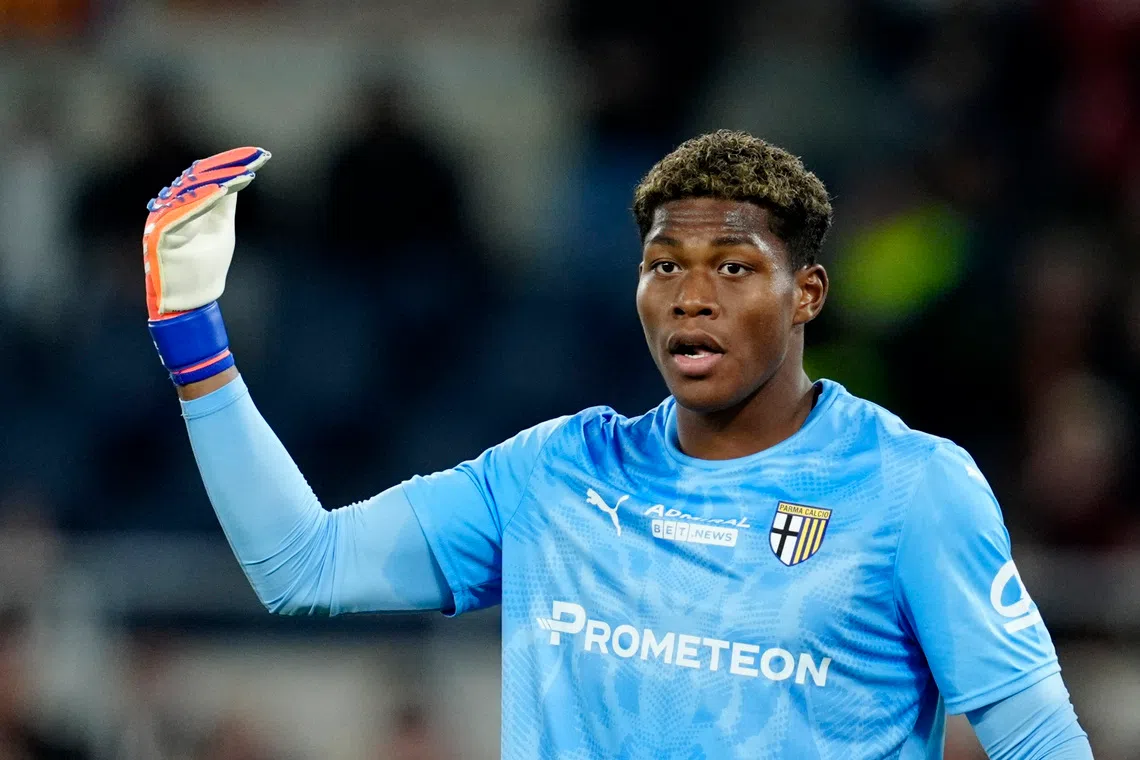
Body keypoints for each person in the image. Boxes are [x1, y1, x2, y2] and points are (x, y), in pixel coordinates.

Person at [140, 132, 1093, 758]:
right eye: (663, 267)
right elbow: (301, 564)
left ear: (806, 295)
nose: (692, 296)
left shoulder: (909, 488)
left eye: (732, 267)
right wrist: (192, 332)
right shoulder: (557, 474)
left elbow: (1037, 742)